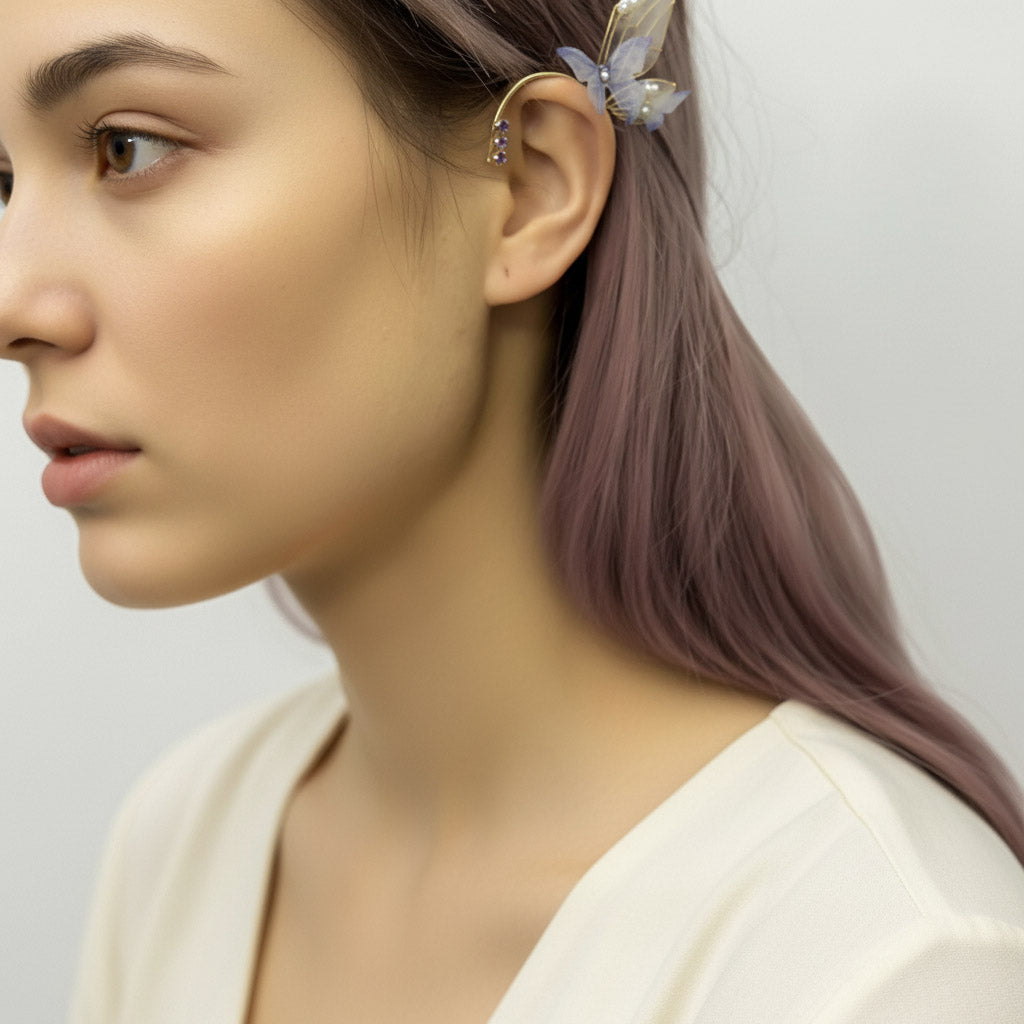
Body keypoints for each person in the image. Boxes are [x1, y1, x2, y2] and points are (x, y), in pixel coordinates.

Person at [1, 0, 1023, 1020]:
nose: (15, 304)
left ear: (532, 185)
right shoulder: (189, 837)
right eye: (2, 183)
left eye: (125, 148)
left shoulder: (879, 962)